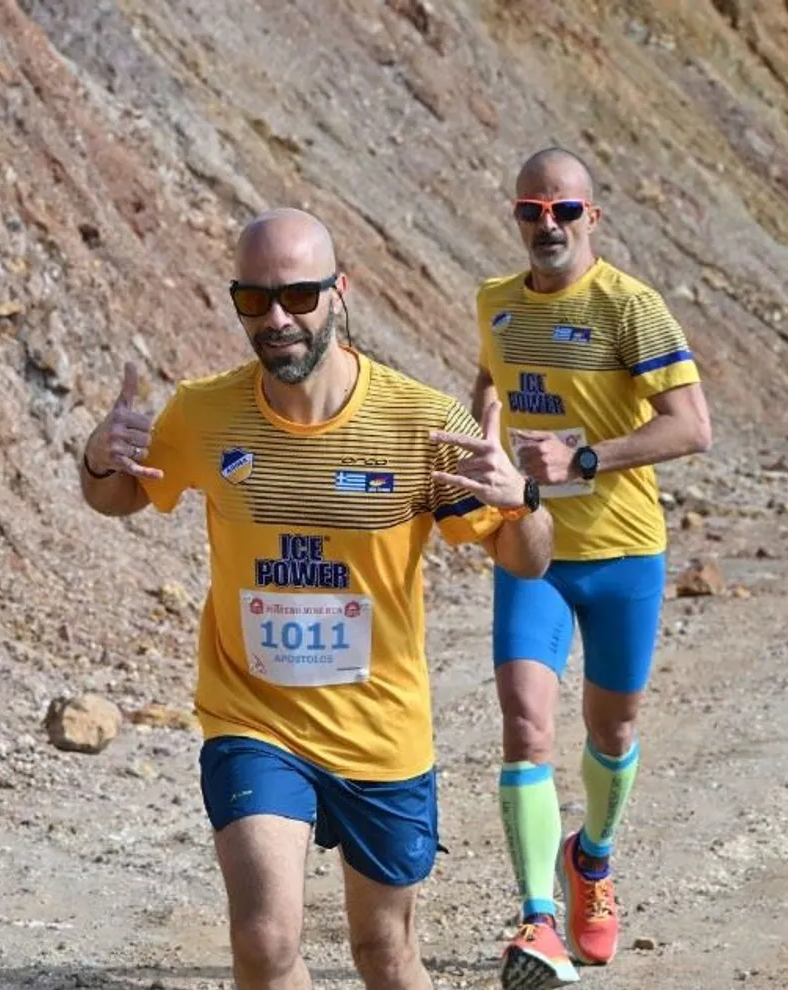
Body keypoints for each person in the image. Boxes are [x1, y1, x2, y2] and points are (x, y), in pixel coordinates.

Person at [78, 207, 554, 990]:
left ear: (340, 292)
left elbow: (526, 562)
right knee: (264, 942)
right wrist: (100, 459)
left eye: (298, 296)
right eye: (254, 300)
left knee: (385, 953)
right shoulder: (204, 413)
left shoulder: (421, 422)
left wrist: (523, 500)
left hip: (381, 731)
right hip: (253, 718)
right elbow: (119, 496)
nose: (276, 319)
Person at [468, 148, 713, 987]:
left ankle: (592, 860)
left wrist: (584, 459)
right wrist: (488, 440)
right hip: (530, 548)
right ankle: (538, 919)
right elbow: (490, 378)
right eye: (532, 211)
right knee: (525, 725)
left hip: (623, 551)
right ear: (515, 215)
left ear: (591, 218)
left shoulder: (630, 308)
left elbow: (692, 427)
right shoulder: (496, 303)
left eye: (564, 211)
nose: (548, 225)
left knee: (613, 731)